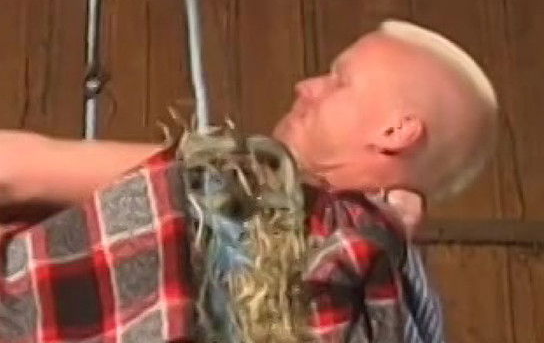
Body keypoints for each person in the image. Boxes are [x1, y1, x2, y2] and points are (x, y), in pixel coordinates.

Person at [0, 19, 498, 342]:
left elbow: (13, 171)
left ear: (395, 131)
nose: (307, 87)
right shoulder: (397, 299)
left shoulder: (247, 187)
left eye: (338, 80)